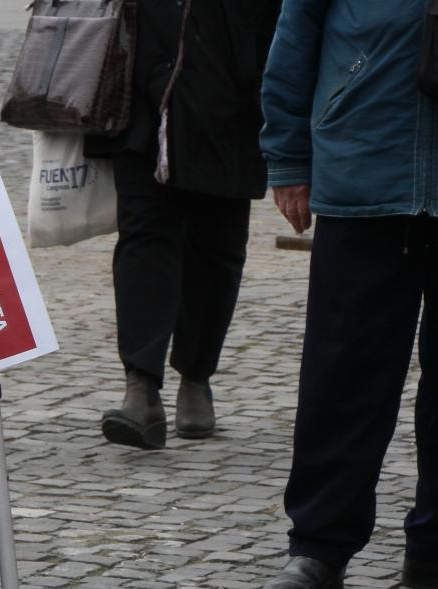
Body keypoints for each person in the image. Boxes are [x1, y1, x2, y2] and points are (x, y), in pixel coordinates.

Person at [258, 0, 438, 589]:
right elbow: (294, 42)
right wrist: (288, 158)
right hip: (364, 176)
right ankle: (319, 546)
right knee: (343, 378)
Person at [88, 0, 281, 449]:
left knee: (218, 247)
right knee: (144, 234)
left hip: (232, 89)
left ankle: (196, 374)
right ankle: (141, 385)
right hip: (141, 81)